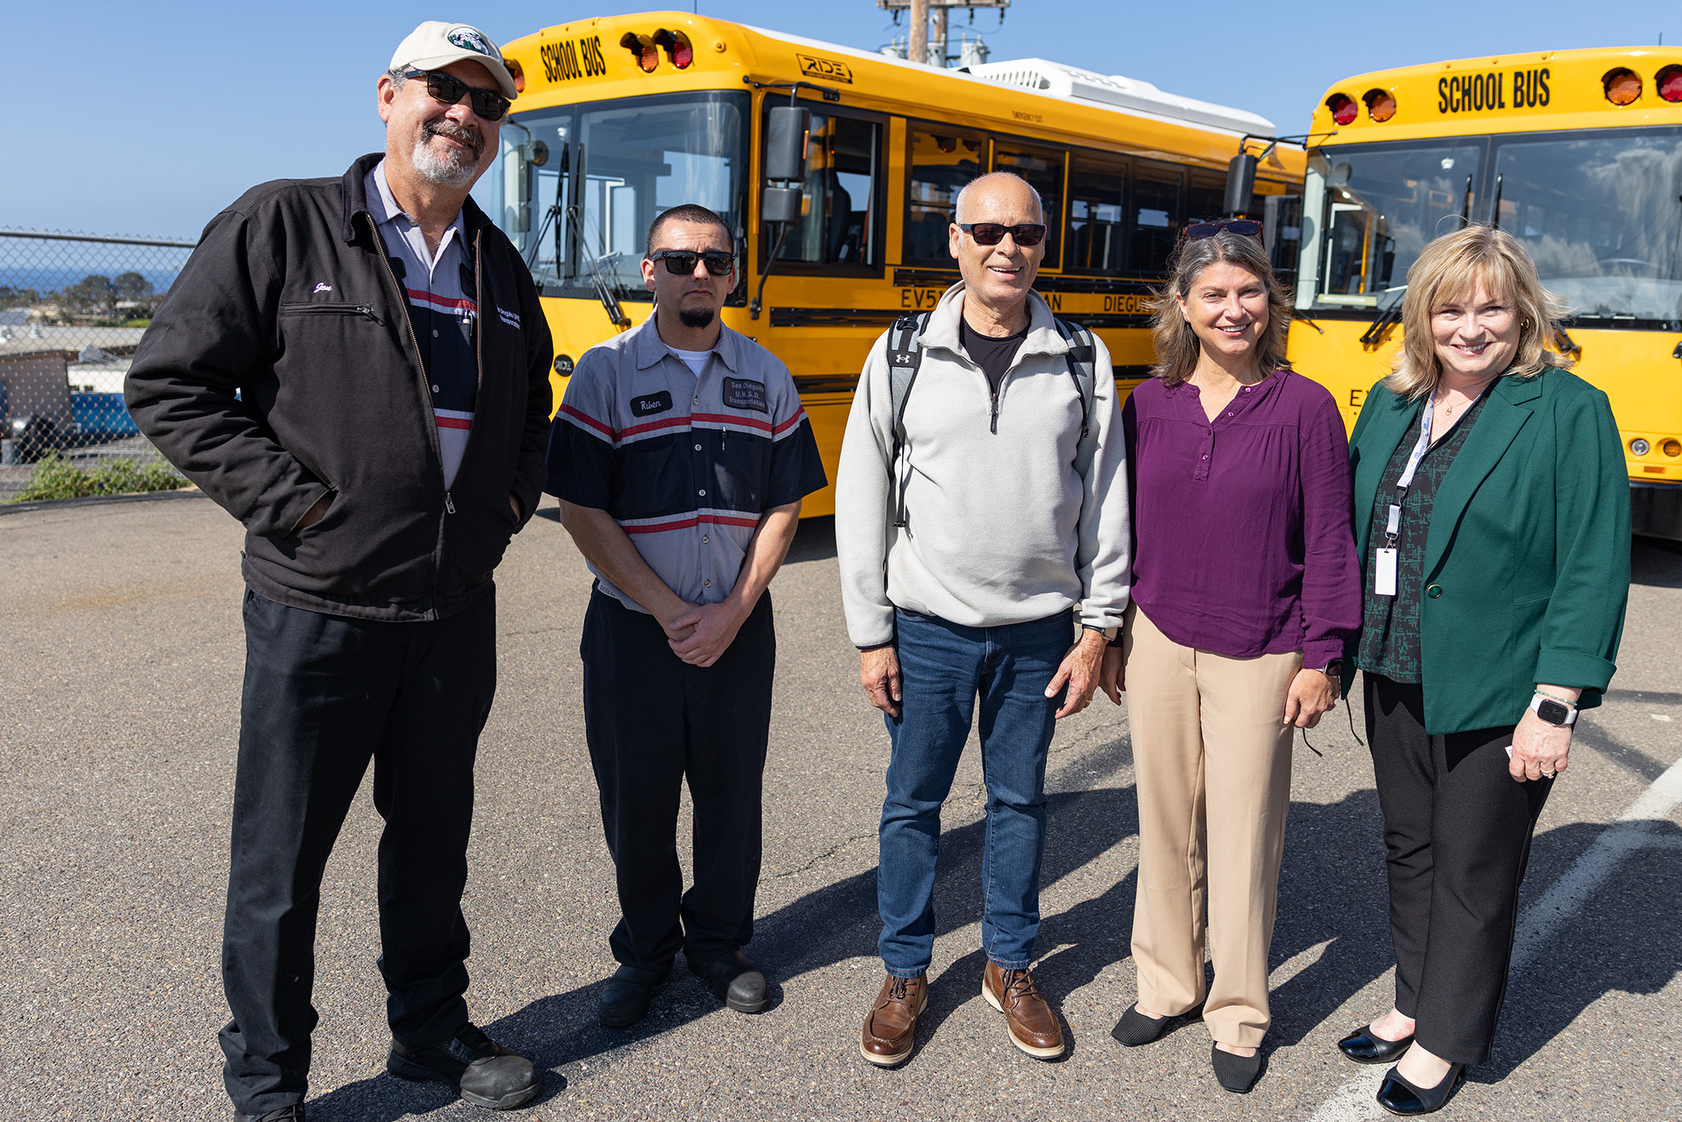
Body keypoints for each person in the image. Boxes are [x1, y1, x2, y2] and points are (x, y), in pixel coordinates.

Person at [123, 21, 552, 1120]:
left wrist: (503, 507)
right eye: (441, 91)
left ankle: (428, 1033)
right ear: (386, 97)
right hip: (319, 609)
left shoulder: (500, 267)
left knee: (432, 843)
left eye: (485, 102)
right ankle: (268, 1086)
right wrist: (299, 509)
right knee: (280, 866)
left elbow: (531, 414)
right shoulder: (285, 222)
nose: (462, 113)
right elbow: (172, 385)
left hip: (451, 606)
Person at [835, 171, 1132, 1067]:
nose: (1010, 248)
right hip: (925, 628)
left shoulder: (1082, 356)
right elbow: (862, 493)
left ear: (1046, 245)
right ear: (955, 242)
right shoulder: (900, 353)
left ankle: (1010, 964)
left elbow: (1107, 494)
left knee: (1019, 802)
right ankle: (906, 970)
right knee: (912, 806)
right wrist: (870, 630)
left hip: (1040, 631)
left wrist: (1099, 625)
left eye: (1028, 234)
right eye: (990, 231)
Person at [1334, 225, 1629, 1116]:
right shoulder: (1391, 403)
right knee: (1409, 846)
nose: (1471, 327)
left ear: (1523, 312)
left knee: (1474, 864)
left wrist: (1557, 702)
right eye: (1451, 308)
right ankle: (1412, 999)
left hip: (1501, 685)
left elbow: (1591, 562)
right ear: (1421, 316)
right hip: (1395, 665)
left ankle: (1447, 1039)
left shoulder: (1568, 410)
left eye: (1491, 307)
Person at [547, 204, 828, 1029]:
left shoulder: (766, 376)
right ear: (649, 273)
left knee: (732, 793)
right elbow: (581, 508)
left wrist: (733, 611)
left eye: (713, 260)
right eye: (678, 260)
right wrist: (674, 613)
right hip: (635, 632)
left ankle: (717, 945)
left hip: (738, 631)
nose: (696, 273)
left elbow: (785, 504)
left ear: (733, 273)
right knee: (636, 799)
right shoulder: (604, 373)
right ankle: (645, 951)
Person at [1097, 220, 1360, 1094]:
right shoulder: (1148, 404)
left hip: (1264, 647)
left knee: (1244, 837)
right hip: (1160, 634)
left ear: (1271, 301)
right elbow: (1118, 531)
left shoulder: (1306, 407)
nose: (1233, 308)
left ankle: (1240, 1011)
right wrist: (1108, 632)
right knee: (1165, 822)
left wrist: (1322, 654)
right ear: (1183, 305)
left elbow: (1329, 539)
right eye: (1214, 294)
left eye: (1249, 292)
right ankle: (1168, 984)